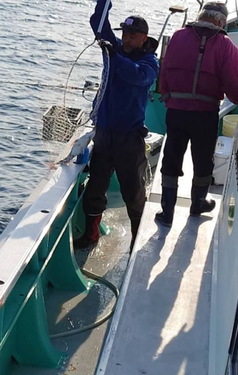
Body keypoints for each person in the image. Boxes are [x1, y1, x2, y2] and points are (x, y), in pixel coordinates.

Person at [74, 0, 159, 249]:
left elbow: (135, 75)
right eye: (125, 34)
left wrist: (113, 54)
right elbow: (97, 23)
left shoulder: (150, 63)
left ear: (144, 38)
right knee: (95, 188)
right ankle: (91, 233)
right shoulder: (115, 49)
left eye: (133, 36)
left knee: (133, 192)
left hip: (129, 139)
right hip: (104, 134)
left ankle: (137, 238)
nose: (127, 39)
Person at [155, 2, 238, 227]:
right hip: (204, 115)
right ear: (221, 21)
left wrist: (169, 96)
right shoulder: (226, 46)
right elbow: (235, 92)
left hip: (175, 111)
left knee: (171, 158)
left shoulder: (178, 36)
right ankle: (197, 205)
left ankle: (167, 213)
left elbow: (164, 72)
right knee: (203, 160)